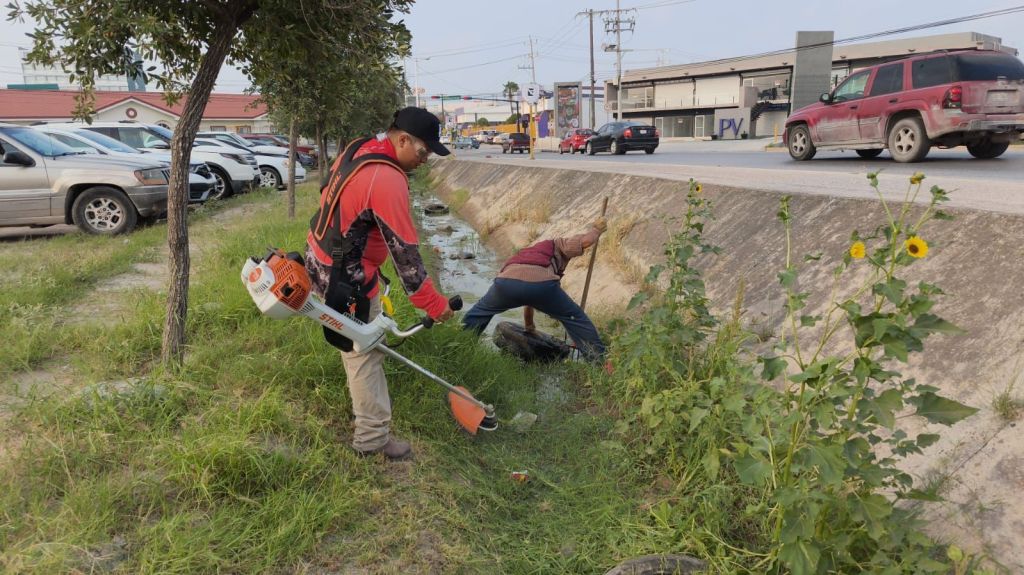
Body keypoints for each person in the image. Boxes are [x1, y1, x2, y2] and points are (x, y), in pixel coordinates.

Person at [305, 107, 453, 461]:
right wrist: (434, 305)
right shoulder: (387, 179)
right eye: (423, 152)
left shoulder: (360, 146)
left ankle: (365, 414)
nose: (424, 160)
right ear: (402, 140)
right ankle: (371, 438)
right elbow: (407, 257)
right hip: (346, 280)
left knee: (354, 348)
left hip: (320, 257)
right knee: (365, 354)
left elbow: (328, 192)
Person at [462, 219, 608, 361]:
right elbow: (585, 241)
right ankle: (600, 363)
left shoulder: (525, 254)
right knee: (576, 318)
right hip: (542, 287)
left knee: (480, 312)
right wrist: (596, 230)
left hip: (505, 283)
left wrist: (529, 327)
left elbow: (528, 297)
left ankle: (459, 347)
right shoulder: (557, 244)